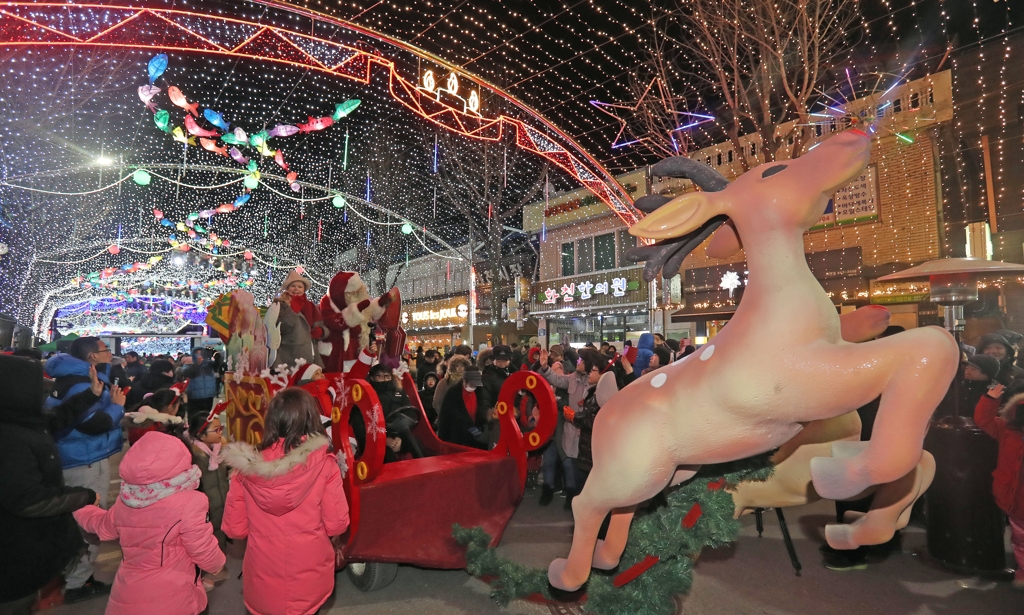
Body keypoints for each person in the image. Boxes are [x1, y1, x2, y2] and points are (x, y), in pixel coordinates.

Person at [222, 388, 349, 615]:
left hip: (263, 567)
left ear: (271, 420)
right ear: (311, 418)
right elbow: (337, 525)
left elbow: (235, 529)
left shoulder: (245, 469)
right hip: (309, 567)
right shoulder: (324, 463)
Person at [73, 431, 226, 615]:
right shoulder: (191, 501)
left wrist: (80, 507)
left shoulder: (128, 499)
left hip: (127, 594)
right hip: (173, 596)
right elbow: (202, 547)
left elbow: (101, 526)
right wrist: (216, 565)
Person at [0, 356, 107, 614]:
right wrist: (83, 496)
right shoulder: (10, 437)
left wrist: (92, 395)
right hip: (13, 551)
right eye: (38, 383)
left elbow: (60, 416)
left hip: (24, 545)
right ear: (18, 389)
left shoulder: (23, 419)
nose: (46, 387)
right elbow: (29, 500)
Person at [44, 337, 127, 602]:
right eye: (105, 350)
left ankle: (71, 576)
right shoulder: (82, 384)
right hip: (85, 460)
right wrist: (117, 407)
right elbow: (91, 424)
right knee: (90, 522)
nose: (110, 354)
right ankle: (77, 583)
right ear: (92, 356)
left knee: (73, 520)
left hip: (74, 457)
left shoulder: (68, 378)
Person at [536, 347, 605, 508]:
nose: (577, 362)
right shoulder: (573, 378)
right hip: (571, 429)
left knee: (584, 467)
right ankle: (572, 495)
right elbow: (558, 380)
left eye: (581, 360)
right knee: (570, 463)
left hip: (587, 431)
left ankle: (580, 499)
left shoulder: (595, 381)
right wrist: (545, 367)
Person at [974, 383, 1024, 590]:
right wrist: (990, 399)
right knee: (1020, 539)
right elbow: (983, 419)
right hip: (1015, 499)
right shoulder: (1007, 430)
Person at [186, 408, 230, 551]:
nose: (220, 432)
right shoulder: (192, 456)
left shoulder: (221, 449)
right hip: (205, 510)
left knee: (221, 534)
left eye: (221, 428)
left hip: (223, 503)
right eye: (216, 430)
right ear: (201, 435)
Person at [437, 365, 488, 449]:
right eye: (471, 385)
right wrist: (444, 441)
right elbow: (444, 418)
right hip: (457, 438)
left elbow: (480, 409)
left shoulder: (479, 391)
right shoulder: (453, 393)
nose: (473, 387)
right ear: (464, 381)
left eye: (475, 385)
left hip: (476, 439)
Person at [433, 355, 470, 423]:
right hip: (448, 419)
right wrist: (444, 415)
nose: (459, 368)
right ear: (453, 367)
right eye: (457, 366)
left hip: (465, 419)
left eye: (462, 366)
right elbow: (436, 402)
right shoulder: (445, 382)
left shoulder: (469, 382)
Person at [183, 348, 218, 414]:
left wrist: (216, 355)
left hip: (208, 396)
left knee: (206, 415)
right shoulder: (189, 364)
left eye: (201, 353)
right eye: (197, 353)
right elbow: (185, 373)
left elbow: (218, 363)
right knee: (194, 416)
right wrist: (197, 364)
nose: (199, 355)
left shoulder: (209, 364)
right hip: (194, 397)